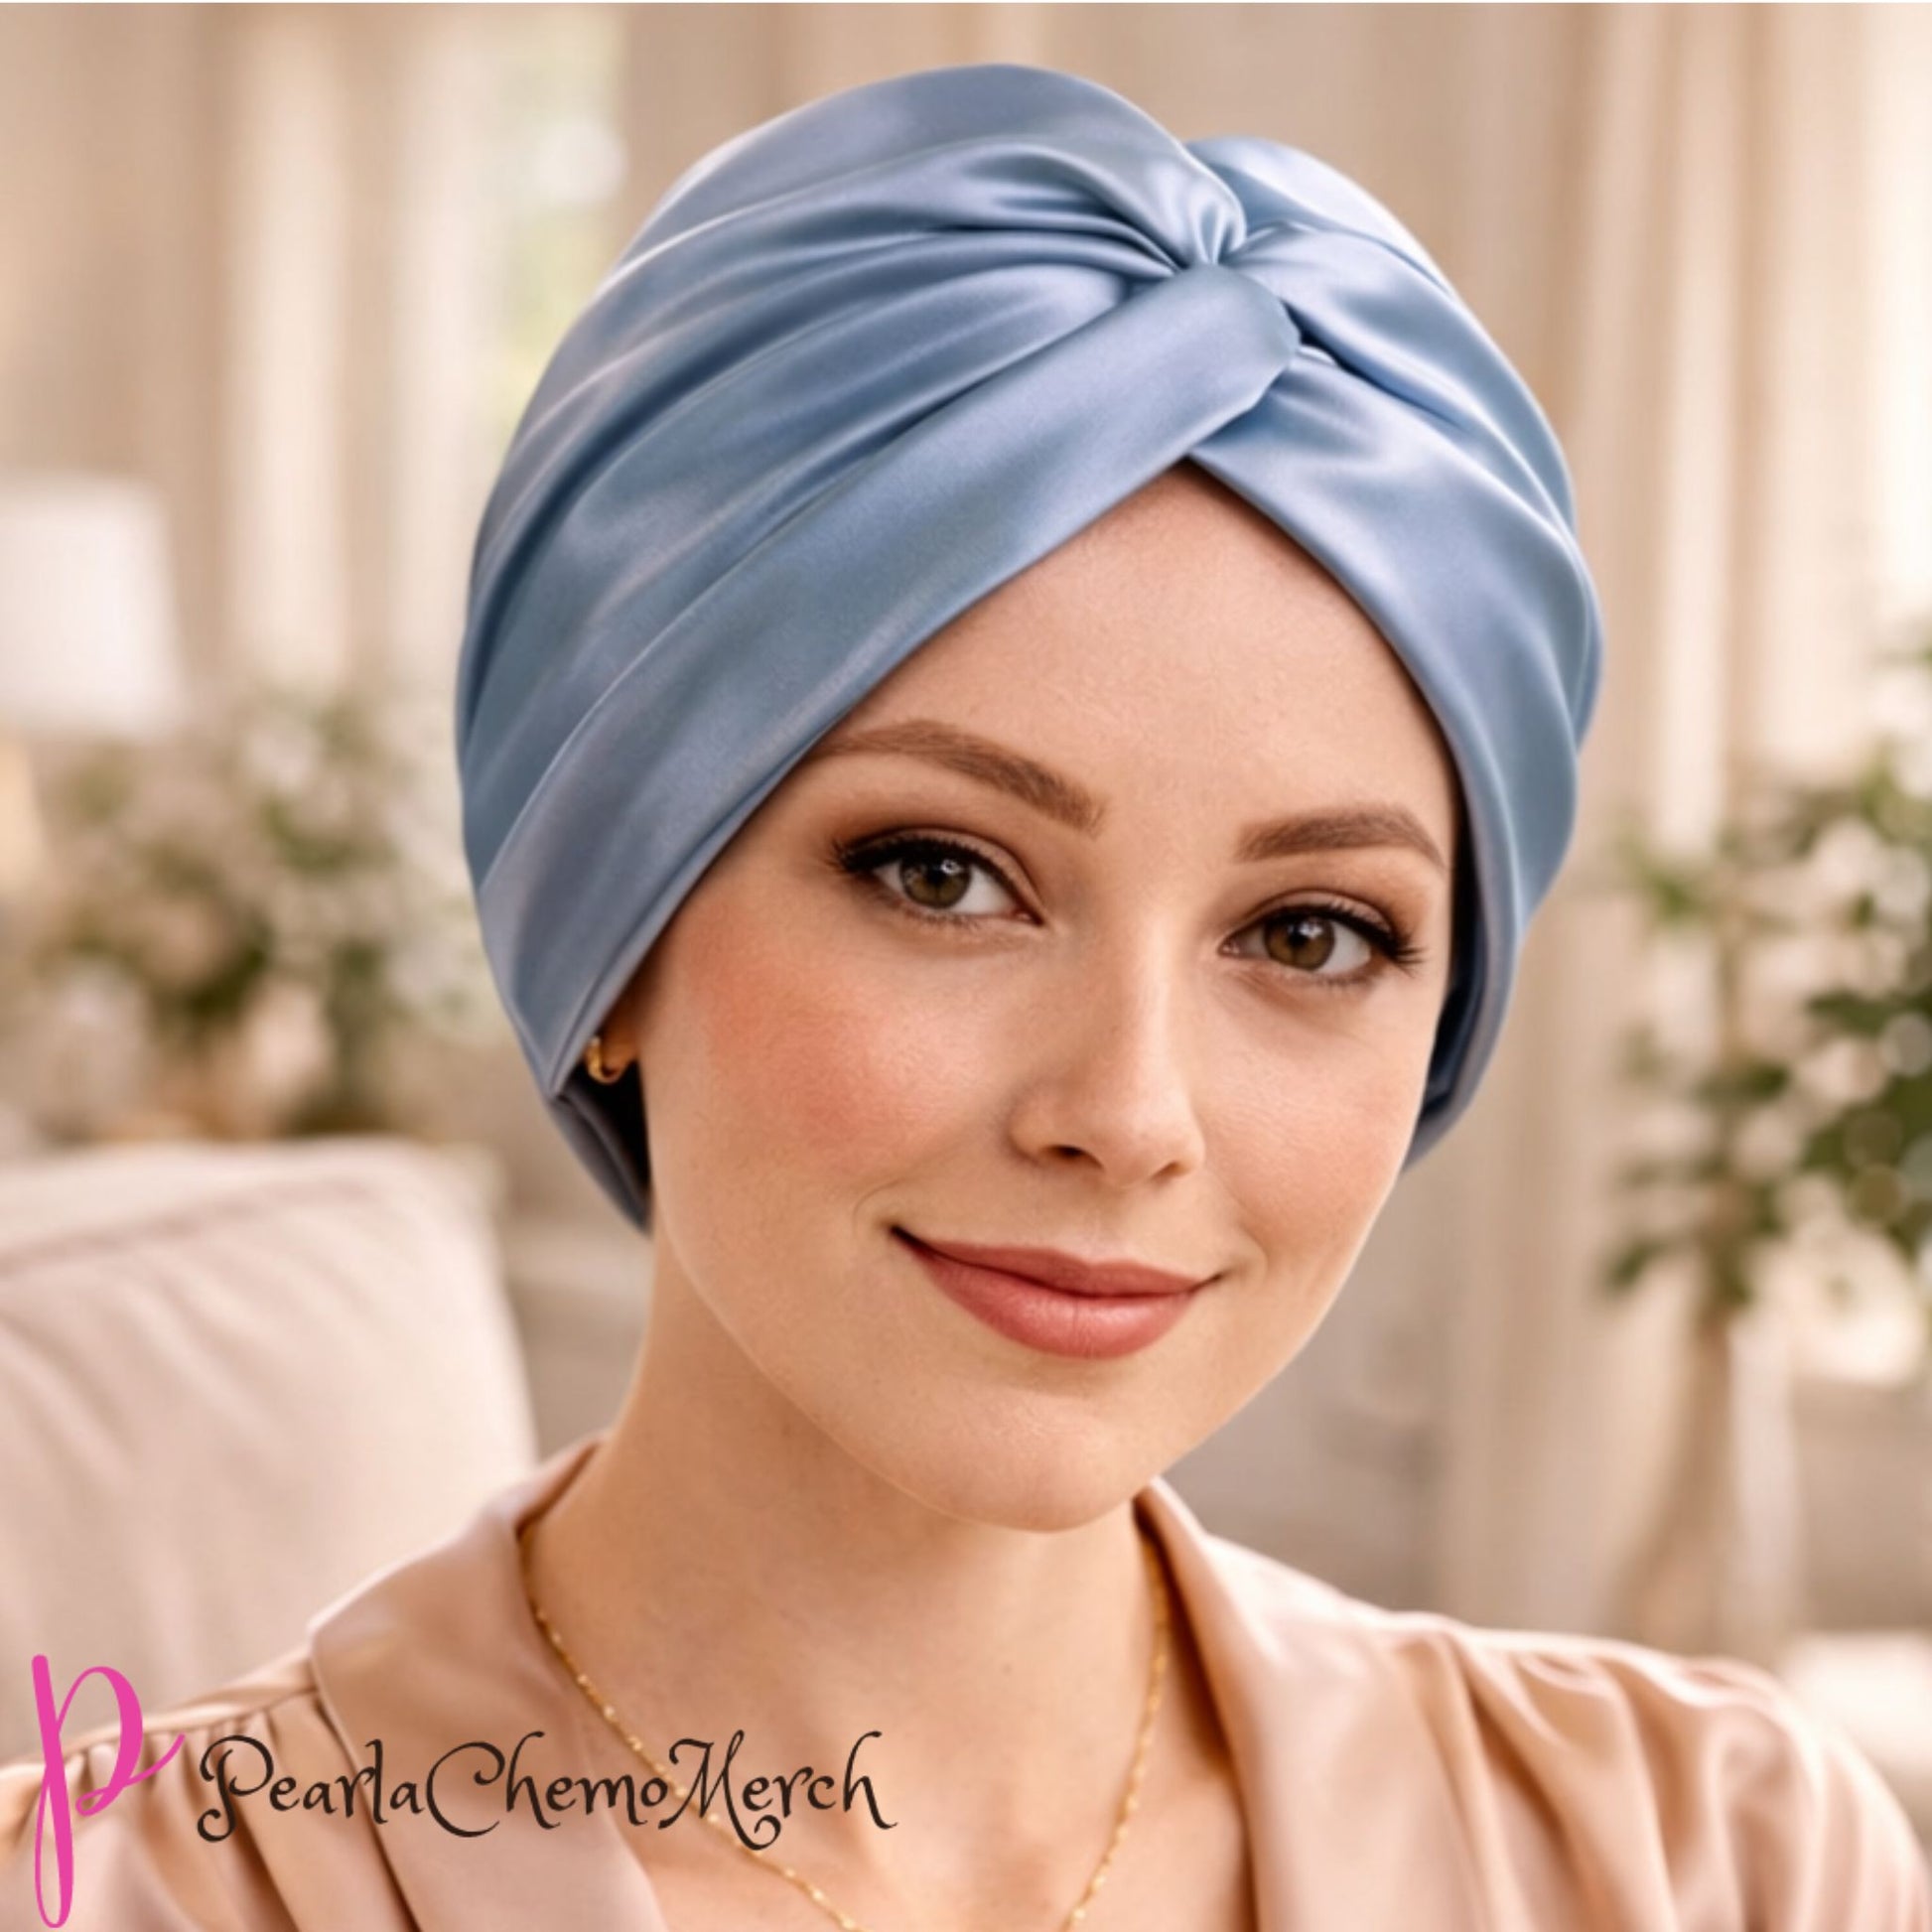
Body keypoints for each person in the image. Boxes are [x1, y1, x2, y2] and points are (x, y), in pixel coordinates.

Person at [4, 62, 1927, 1932]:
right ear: (611, 921)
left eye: (1312, 932)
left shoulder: (1716, 1865)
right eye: (942, 875)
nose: (1132, 1107)